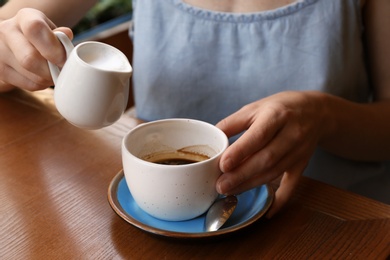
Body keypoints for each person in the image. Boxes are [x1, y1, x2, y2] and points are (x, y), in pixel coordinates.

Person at [0, 0, 389, 217]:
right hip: (156, 220)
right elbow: (12, 31)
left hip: (329, 219)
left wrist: (323, 116)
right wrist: (8, 47)